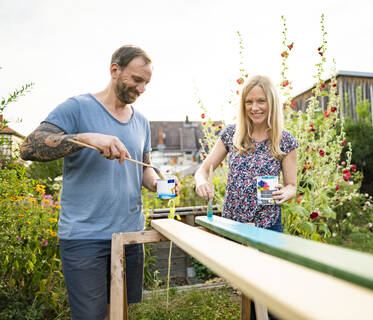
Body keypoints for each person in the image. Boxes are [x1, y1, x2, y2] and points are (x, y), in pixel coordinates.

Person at [20, 45, 177, 320]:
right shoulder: (77, 108)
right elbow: (29, 147)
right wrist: (87, 138)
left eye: (147, 83)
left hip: (129, 235)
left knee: (119, 314)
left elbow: (145, 171)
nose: (141, 90)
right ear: (115, 70)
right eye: (137, 80)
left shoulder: (141, 122)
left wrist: (159, 185)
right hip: (85, 239)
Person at [194, 75, 298, 320]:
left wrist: (286, 192)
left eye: (261, 101)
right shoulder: (232, 134)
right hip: (235, 227)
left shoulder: (284, 140)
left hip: (267, 225)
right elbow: (204, 168)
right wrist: (201, 181)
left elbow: (292, 185)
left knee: (270, 294)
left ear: (271, 102)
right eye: (249, 102)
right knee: (248, 291)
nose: (255, 108)